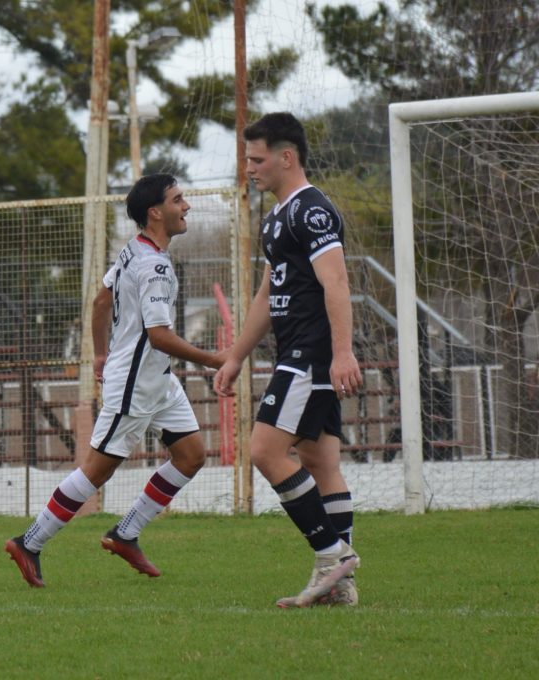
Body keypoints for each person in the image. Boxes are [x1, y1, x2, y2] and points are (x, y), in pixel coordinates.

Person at [4, 173, 225, 588]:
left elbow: (101, 300)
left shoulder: (134, 249)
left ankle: (125, 534)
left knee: (191, 455)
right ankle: (28, 542)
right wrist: (214, 359)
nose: (186, 206)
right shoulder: (154, 265)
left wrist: (102, 353)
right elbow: (158, 335)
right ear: (155, 212)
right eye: (178, 200)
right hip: (135, 386)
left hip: (157, 380)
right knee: (95, 472)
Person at [213, 112, 363, 608]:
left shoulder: (312, 211)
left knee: (264, 451)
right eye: (247, 159)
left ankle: (331, 555)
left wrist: (341, 353)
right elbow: (266, 296)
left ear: (286, 157)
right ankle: (338, 587)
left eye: (257, 160)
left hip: (311, 354)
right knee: (320, 461)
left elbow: (336, 282)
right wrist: (236, 357)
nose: (249, 169)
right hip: (295, 352)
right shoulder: (277, 217)